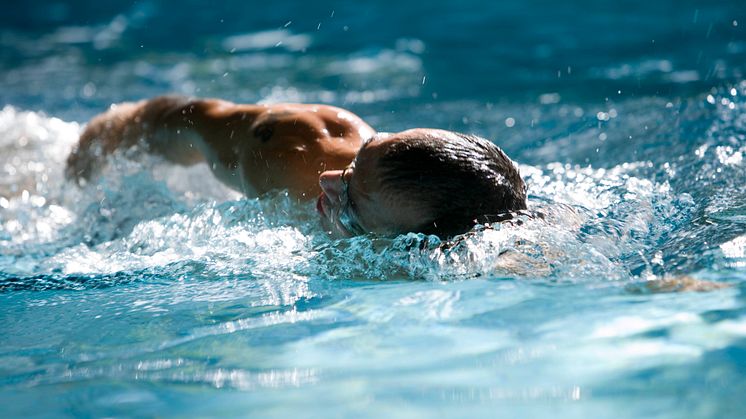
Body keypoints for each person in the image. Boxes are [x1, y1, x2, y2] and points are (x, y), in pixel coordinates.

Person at [66, 96, 528, 237]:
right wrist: (74, 182)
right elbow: (161, 120)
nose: (328, 180)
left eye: (350, 198)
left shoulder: (483, 225)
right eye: (358, 158)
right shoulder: (287, 159)